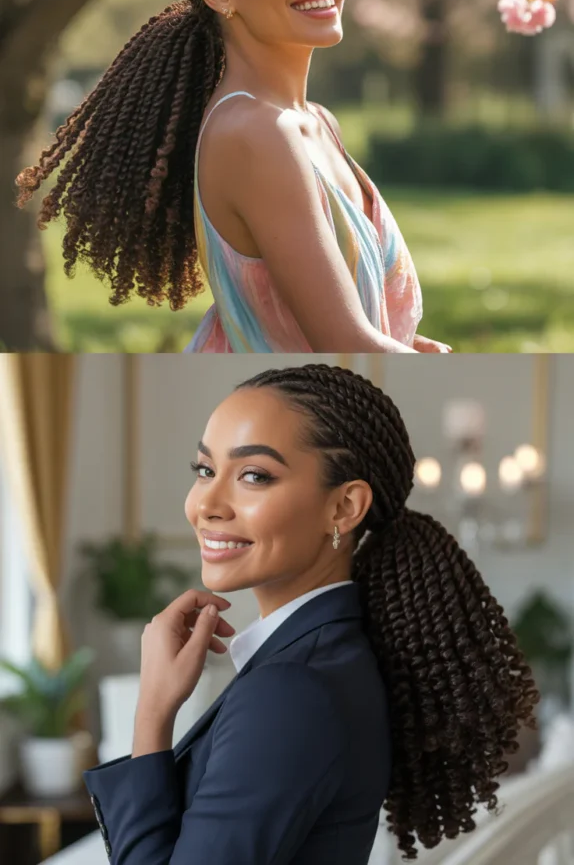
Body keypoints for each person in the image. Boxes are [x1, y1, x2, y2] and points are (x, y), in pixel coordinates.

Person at [83, 362, 538, 865]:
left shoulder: (291, 691)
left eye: (254, 476)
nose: (206, 504)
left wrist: (152, 711)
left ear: (344, 507)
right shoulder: (320, 661)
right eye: (205, 470)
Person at [16, 0, 451, 355]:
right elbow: (346, 347)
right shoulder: (255, 132)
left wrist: (407, 343)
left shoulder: (315, 123)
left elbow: (328, 329)